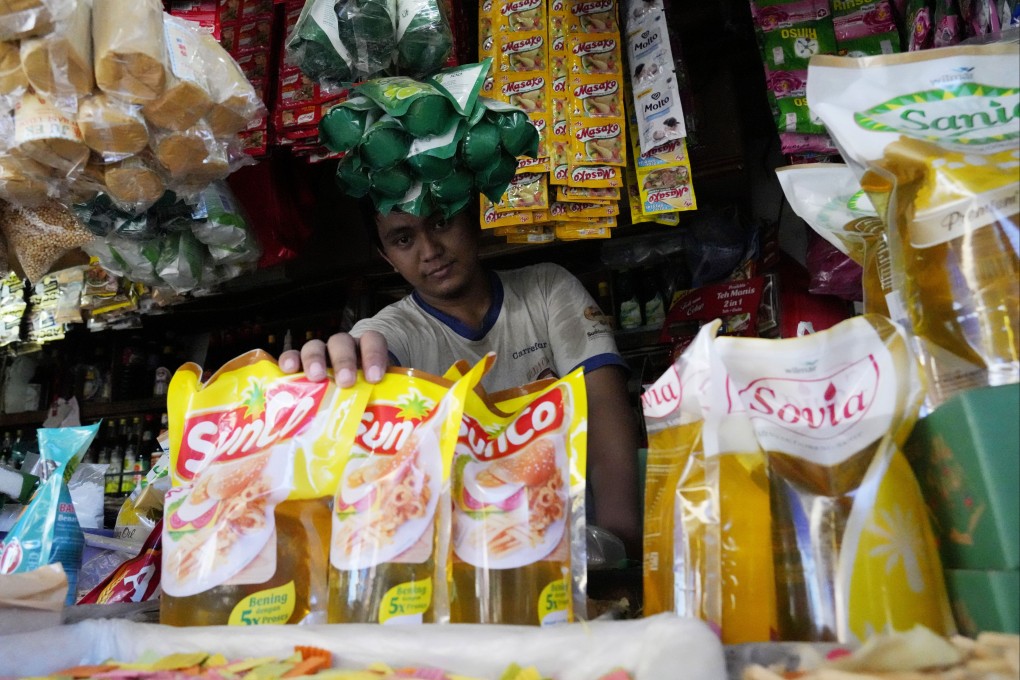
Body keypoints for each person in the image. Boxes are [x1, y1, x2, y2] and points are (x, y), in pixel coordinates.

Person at [279, 203, 642, 558]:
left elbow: (604, 408)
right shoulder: (390, 331)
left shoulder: (546, 289)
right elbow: (367, 353)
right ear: (386, 256)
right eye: (404, 240)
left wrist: (617, 545)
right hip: (462, 565)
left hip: (575, 544)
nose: (430, 251)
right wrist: (336, 371)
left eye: (441, 223)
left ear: (474, 219)